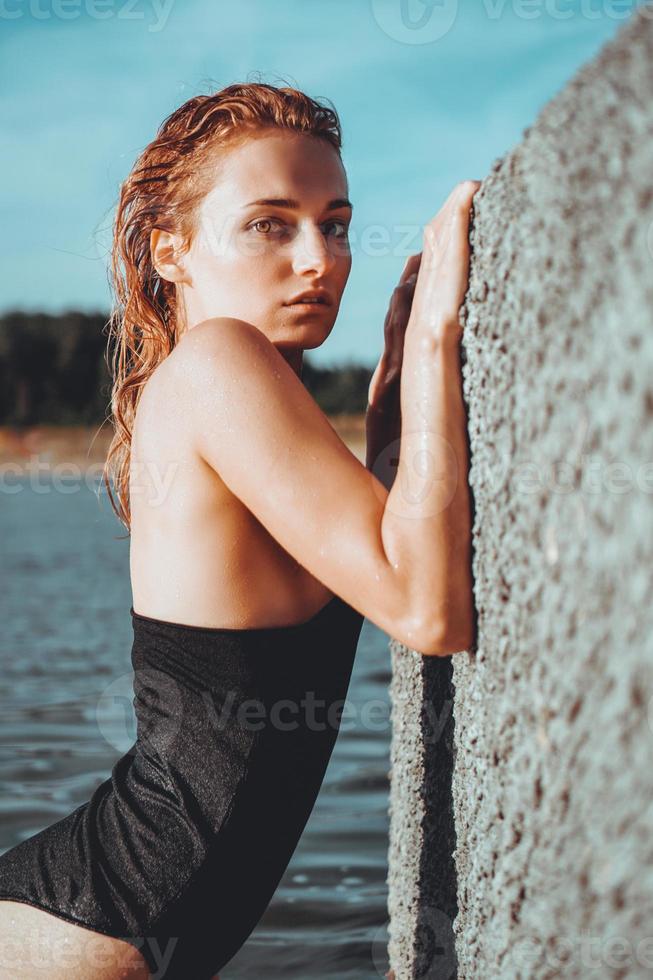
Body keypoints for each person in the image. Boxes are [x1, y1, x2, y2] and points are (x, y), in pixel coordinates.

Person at [0, 81, 479, 978]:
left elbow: (393, 547)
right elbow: (428, 609)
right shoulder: (219, 361)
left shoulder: (228, 389)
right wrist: (435, 337)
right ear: (170, 249)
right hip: (82, 933)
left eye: (334, 223)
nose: (320, 259)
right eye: (271, 224)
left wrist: (387, 413)